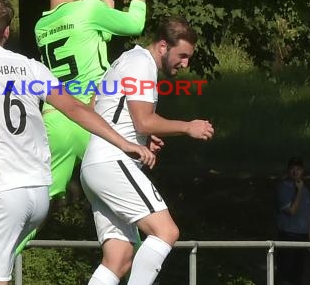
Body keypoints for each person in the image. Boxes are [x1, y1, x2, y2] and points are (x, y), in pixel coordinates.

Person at [0, 0, 155, 285]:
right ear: (7, 31)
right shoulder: (30, 68)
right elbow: (75, 108)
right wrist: (124, 142)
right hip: (37, 191)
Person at [14, 0, 166, 253]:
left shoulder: (42, 25)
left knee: (32, 213)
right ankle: (134, 261)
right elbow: (134, 23)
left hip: (56, 122)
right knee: (128, 201)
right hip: (94, 121)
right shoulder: (88, 10)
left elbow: (101, 26)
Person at [80, 16, 215, 285]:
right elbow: (143, 119)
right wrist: (187, 127)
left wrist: (141, 135)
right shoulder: (142, 63)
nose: (186, 64)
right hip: (112, 161)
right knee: (166, 231)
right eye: (183, 55)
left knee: (119, 258)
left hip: (96, 163)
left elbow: (97, 102)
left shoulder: (127, 59)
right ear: (163, 46)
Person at [275, 157, 310, 285]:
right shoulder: (283, 188)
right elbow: (292, 211)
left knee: (298, 274)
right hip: (288, 235)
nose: (295, 172)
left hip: (302, 237)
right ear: (288, 171)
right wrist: (299, 191)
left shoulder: (306, 191)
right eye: (292, 169)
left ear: (302, 171)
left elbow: (307, 217)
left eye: (298, 169)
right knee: (285, 274)